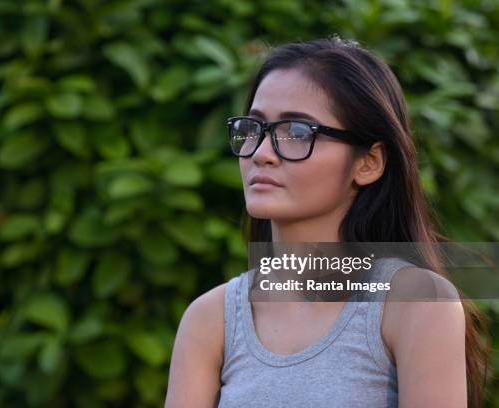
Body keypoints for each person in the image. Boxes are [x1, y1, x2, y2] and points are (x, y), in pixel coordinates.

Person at [164, 36, 490, 408]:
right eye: (254, 128)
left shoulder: (415, 305)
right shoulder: (211, 319)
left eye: (297, 132)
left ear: (368, 163)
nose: (262, 153)